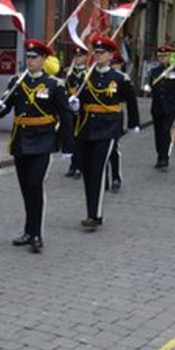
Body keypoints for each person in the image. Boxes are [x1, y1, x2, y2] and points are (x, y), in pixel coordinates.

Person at [0, 40, 74, 253]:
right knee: (26, 188)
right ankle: (28, 230)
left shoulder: (54, 85)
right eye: (28, 57)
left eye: (34, 57)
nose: (30, 61)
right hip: (20, 139)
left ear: (44, 60)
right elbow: (6, 105)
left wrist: (67, 146)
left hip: (43, 140)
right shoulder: (17, 81)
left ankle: (37, 233)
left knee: (35, 185)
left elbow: (65, 116)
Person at [68, 36, 140, 231]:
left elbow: (131, 102)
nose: (98, 56)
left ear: (110, 55)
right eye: (96, 53)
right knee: (87, 171)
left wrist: (133, 124)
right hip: (86, 127)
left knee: (97, 169)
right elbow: (78, 99)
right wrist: (74, 105)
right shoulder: (86, 77)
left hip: (108, 128)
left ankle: (95, 215)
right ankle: (91, 210)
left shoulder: (119, 79)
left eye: (102, 53)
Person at [143, 45, 175, 169]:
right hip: (157, 107)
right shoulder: (154, 71)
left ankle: (164, 157)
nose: (162, 58)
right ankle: (160, 154)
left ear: (170, 56)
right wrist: (147, 87)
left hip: (171, 107)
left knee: (166, 131)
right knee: (158, 133)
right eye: (160, 56)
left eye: (165, 56)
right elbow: (149, 83)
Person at [64, 47, 89, 178]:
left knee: (81, 139)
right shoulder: (68, 73)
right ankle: (73, 165)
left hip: (83, 111)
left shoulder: (89, 74)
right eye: (76, 56)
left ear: (85, 58)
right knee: (71, 138)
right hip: (70, 110)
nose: (77, 58)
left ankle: (80, 166)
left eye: (80, 56)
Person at [106, 51, 127, 192]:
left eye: (116, 65)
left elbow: (127, 99)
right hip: (99, 119)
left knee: (113, 149)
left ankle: (116, 177)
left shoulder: (122, 79)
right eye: (112, 64)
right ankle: (104, 180)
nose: (114, 67)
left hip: (115, 117)